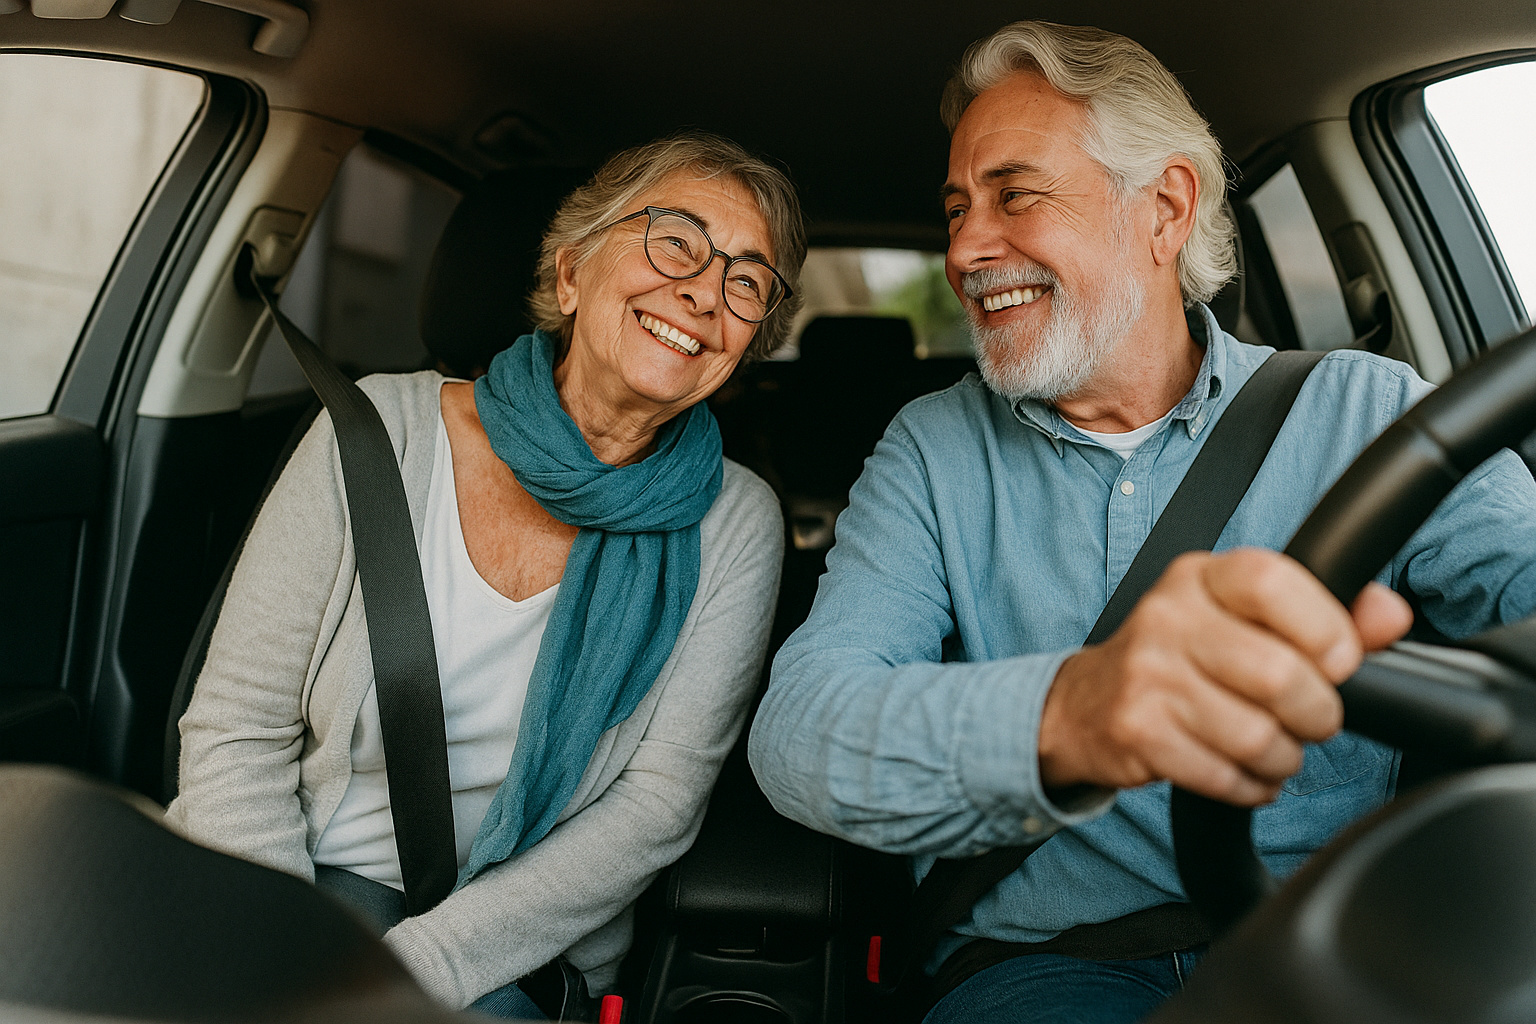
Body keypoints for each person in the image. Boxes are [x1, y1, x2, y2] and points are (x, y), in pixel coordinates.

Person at [747, 21, 1536, 1024]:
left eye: (1014, 194)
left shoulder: (1368, 413)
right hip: (1043, 966)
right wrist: (1075, 713)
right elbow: (801, 736)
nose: (964, 247)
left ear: (1164, 210)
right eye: (956, 209)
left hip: (1333, 944)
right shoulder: (935, 450)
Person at [166, 131, 804, 1016]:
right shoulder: (373, 431)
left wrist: (410, 972)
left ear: (749, 341)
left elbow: (655, 808)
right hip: (301, 883)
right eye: (675, 241)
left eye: (746, 282)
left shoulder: (736, 522)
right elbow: (236, 729)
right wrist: (285, 954)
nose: (703, 291)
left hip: (512, 949)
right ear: (572, 271)